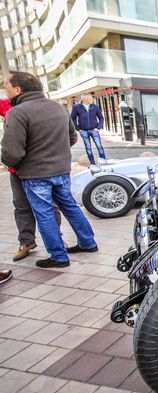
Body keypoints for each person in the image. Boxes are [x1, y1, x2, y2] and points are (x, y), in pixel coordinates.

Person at [1, 71, 98, 269]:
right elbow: (72, 138)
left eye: (7, 85)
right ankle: (88, 243)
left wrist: (16, 163)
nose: (5, 88)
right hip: (61, 170)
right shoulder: (58, 107)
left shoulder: (17, 113)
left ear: (18, 89)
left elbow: (11, 152)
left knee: (44, 213)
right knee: (70, 207)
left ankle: (58, 256)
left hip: (35, 174)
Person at [2, 96, 62, 262]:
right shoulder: (10, 106)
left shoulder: (44, 108)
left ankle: (57, 240)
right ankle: (26, 242)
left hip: (38, 169)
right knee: (21, 206)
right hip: (17, 170)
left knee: (49, 205)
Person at [70, 93, 106, 166]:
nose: (92, 99)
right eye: (90, 98)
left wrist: (98, 127)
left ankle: (104, 162)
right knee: (88, 148)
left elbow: (101, 118)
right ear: (85, 100)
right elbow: (72, 118)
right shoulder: (77, 107)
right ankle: (92, 164)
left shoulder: (95, 107)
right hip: (83, 131)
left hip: (94, 130)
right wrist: (78, 128)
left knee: (99, 147)